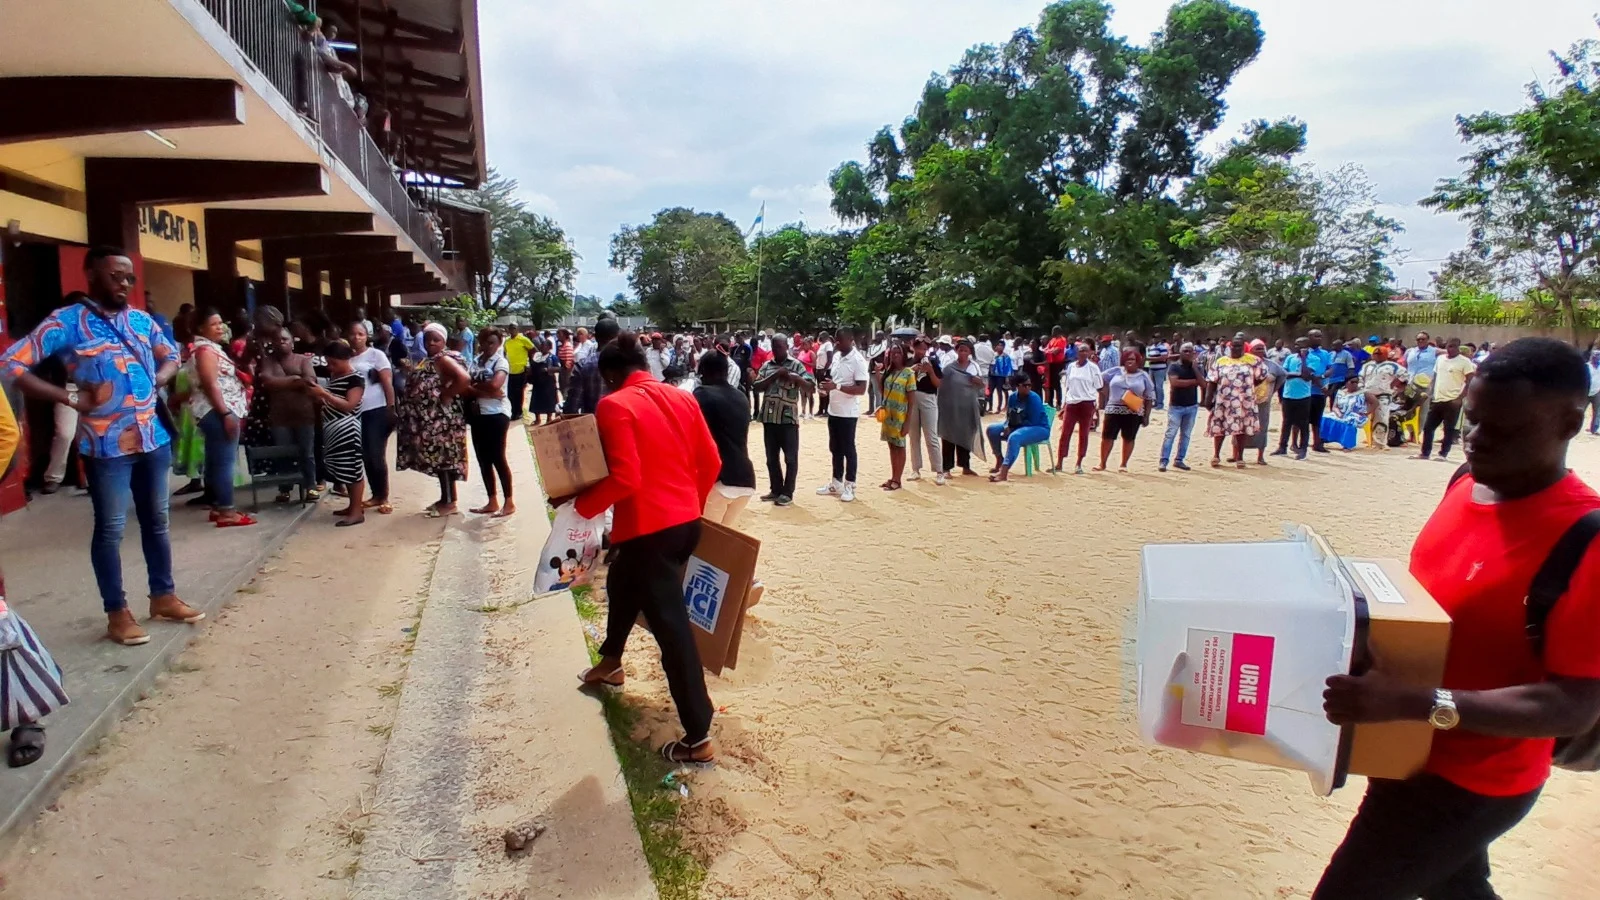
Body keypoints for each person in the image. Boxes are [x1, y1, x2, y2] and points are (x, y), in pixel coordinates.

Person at [1314, 337, 1600, 900]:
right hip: (1407, 754)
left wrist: (1413, 702)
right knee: (1457, 889)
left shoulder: (1586, 541)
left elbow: (1574, 705)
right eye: (1472, 419)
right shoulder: (1464, 484)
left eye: (1506, 429)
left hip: (1474, 782)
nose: (1475, 440)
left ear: (1571, 422)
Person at [0, 246, 203, 646]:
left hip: (153, 438)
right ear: (90, 274)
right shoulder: (68, 322)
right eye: (115, 276)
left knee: (157, 523)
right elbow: (11, 364)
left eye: (129, 277)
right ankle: (117, 613)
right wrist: (70, 398)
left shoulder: (141, 321)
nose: (125, 284)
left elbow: (173, 355)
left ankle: (163, 595)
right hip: (106, 447)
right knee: (111, 529)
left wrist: (161, 376)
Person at [572, 335, 722, 765]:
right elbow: (711, 463)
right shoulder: (682, 398)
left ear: (610, 376)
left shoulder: (614, 405)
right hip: (684, 523)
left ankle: (698, 736)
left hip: (649, 531)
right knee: (622, 582)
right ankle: (611, 661)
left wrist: (580, 508)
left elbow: (626, 479)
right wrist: (687, 506)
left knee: (672, 630)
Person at [186, 308, 254, 527]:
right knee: (225, 462)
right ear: (200, 328)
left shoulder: (209, 349)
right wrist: (225, 413)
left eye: (221, 323)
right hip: (217, 411)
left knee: (216, 461)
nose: (220, 327)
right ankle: (227, 511)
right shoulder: (205, 351)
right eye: (214, 324)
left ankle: (218, 506)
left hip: (215, 410)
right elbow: (211, 384)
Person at [395, 323, 472, 517]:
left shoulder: (444, 359)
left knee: (443, 459)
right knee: (438, 459)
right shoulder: (430, 359)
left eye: (436, 340)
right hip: (431, 420)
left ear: (444, 341)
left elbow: (464, 379)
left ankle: (448, 503)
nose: (431, 343)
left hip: (441, 421)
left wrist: (447, 394)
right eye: (428, 339)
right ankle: (446, 498)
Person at [692, 352, 756, 526]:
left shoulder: (702, 394)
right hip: (746, 479)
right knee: (724, 542)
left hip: (720, 480)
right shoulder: (741, 396)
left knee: (705, 544)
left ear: (704, 372)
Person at [257, 329, 321, 502]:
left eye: (285, 339)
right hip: (279, 415)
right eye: (278, 339)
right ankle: (285, 487)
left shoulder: (303, 360)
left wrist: (285, 382)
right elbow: (268, 382)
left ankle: (310, 486)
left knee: (306, 452)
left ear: (292, 342)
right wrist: (295, 379)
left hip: (304, 413)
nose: (282, 342)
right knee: (283, 451)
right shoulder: (268, 361)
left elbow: (310, 381)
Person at [751, 334, 812, 507]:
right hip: (769, 418)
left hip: (788, 419)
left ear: (787, 346)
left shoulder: (796, 365)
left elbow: (810, 387)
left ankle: (787, 492)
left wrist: (796, 378)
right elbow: (756, 386)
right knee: (771, 458)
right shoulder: (767, 365)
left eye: (780, 346)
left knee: (790, 458)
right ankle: (775, 489)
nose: (777, 350)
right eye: (774, 347)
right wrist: (776, 374)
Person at [310, 340, 367, 527]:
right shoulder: (335, 376)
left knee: (352, 470)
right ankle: (352, 506)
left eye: (334, 362)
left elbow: (349, 405)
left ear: (346, 359)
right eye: (328, 362)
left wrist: (324, 394)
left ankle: (357, 511)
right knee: (344, 470)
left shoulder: (355, 379)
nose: (330, 366)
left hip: (347, 429)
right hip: (333, 429)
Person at [816, 327, 871, 502]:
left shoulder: (858, 361)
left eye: (840, 341)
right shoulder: (838, 357)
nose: (837, 343)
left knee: (848, 449)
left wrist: (837, 387)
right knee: (835, 448)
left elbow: (862, 389)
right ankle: (836, 482)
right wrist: (826, 390)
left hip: (848, 413)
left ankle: (850, 485)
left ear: (850, 340)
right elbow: (834, 380)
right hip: (834, 410)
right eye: (836, 340)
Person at [347, 322, 395, 515]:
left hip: (376, 410)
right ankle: (375, 494)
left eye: (360, 334)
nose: (356, 337)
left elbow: (387, 382)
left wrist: (391, 407)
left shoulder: (376, 355)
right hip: (355, 412)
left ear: (367, 336)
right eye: (352, 334)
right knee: (365, 455)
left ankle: (384, 496)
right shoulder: (347, 357)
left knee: (376, 454)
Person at [467, 327, 514, 517]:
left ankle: (509, 502)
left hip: (496, 414)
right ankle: (492, 500)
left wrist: (474, 388)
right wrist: (483, 391)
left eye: (492, 342)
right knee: (483, 459)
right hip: (478, 413)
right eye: (485, 342)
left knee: (498, 458)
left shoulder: (501, 362)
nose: (487, 346)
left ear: (499, 343)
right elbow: (466, 384)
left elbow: (497, 385)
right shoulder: (476, 361)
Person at [1205, 334, 1266, 468]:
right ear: (1229, 346)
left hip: (1245, 401)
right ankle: (1216, 455)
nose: (1236, 348)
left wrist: (1248, 386)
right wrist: (1208, 399)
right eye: (1234, 345)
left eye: (1240, 346)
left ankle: (1240, 457)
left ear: (1244, 347)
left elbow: (1261, 376)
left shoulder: (1253, 360)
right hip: (1223, 401)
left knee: (1241, 429)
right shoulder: (1220, 361)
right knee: (1219, 427)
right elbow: (1211, 381)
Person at [1415, 337, 1477, 462]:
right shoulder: (1440, 359)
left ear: (1458, 347)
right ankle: (1425, 452)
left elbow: (1470, 380)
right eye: (1449, 346)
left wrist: (1460, 398)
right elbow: (1435, 377)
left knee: (1448, 428)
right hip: (1438, 398)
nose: (1450, 349)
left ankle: (1443, 454)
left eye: (1453, 346)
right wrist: (1430, 393)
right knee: (1428, 427)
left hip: (1453, 400)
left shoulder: (1464, 362)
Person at [1095, 348, 1154, 472]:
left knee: (1129, 438)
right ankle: (1102, 463)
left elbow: (1149, 396)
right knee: (1107, 437)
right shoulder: (1116, 371)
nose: (1129, 361)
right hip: (1113, 410)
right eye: (1127, 359)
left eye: (1132, 359)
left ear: (1138, 361)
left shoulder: (1143, 375)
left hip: (1133, 411)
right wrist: (1105, 393)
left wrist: (1146, 415)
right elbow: (1098, 379)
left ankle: (1123, 464)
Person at [934, 338, 985, 479]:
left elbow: (981, 385)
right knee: (948, 437)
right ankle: (946, 468)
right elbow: (942, 386)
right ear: (956, 351)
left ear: (970, 352)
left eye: (965, 350)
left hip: (968, 407)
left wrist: (977, 381)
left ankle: (965, 466)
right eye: (960, 350)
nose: (962, 353)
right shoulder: (949, 368)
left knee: (966, 436)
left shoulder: (974, 367)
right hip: (951, 407)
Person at [986, 373, 1049, 482]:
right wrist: (1007, 426)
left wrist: (1013, 429)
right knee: (992, 429)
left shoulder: (1034, 398)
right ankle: (999, 459)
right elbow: (1009, 416)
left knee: (1015, 437)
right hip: (1018, 425)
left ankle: (1004, 471)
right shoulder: (1012, 397)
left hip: (1038, 428)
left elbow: (1033, 421)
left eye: (1030, 385)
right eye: (1025, 385)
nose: (1028, 387)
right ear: (1017, 386)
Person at [1055, 342, 1103, 475]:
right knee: (1065, 433)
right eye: (1081, 351)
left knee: (1084, 434)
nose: (1083, 353)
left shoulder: (1093, 368)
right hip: (1072, 403)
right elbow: (1068, 386)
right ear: (1077, 352)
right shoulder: (1071, 367)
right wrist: (1064, 404)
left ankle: (1079, 463)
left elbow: (1099, 387)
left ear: (1089, 353)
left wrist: (1097, 407)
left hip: (1087, 404)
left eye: (1085, 351)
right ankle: (1060, 462)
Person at [877, 342, 917, 491]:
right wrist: (878, 375)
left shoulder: (909, 373)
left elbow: (912, 400)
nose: (895, 356)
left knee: (900, 447)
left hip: (900, 415)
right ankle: (893, 476)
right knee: (892, 446)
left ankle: (897, 479)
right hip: (888, 415)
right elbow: (883, 391)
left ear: (904, 355)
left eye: (898, 353)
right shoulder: (889, 371)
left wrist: (908, 421)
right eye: (892, 353)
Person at [906, 337, 946, 484]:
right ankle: (915, 468)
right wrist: (911, 371)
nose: (922, 352)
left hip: (928, 398)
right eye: (919, 348)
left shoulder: (932, 362)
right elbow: (902, 379)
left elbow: (938, 384)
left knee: (931, 436)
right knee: (914, 436)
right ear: (913, 347)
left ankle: (939, 470)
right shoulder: (909, 363)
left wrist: (930, 371)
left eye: (924, 349)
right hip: (911, 398)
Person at [1159, 343, 1203, 472]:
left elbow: (1204, 384)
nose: (1188, 354)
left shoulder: (1196, 368)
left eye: (1190, 351)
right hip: (1176, 406)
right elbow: (1175, 382)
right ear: (1180, 352)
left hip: (1191, 406)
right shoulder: (1174, 366)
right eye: (1185, 351)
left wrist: (1195, 368)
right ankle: (1163, 461)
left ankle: (1179, 460)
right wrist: (1193, 382)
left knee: (1186, 435)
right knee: (1171, 434)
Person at [1275, 339, 1318, 460]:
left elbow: (1307, 375)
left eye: (1299, 345)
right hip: (1288, 395)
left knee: (1303, 423)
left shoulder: (1314, 359)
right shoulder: (1290, 358)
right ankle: (1282, 447)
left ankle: (1303, 450)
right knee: (1286, 422)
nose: (1296, 346)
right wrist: (1298, 374)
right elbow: (1284, 374)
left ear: (1307, 346)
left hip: (1303, 396)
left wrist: (1304, 359)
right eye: (1295, 344)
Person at [1247, 338, 1285, 466]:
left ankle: (1260, 456)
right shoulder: (1245, 363)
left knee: (1262, 427)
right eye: (1257, 348)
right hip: (1245, 400)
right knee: (1241, 427)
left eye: (1262, 348)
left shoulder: (1271, 365)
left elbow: (1282, 375)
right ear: (1250, 350)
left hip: (1263, 401)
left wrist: (1273, 390)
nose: (1260, 351)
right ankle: (1236, 454)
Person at [1360, 346, 1404, 449]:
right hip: (1367, 395)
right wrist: (1361, 388)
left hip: (1383, 395)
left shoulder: (1393, 366)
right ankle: (1368, 438)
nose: (1377, 356)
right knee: (1365, 418)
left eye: (1380, 354)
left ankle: (1380, 443)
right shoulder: (1367, 366)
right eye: (1375, 354)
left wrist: (1392, 385)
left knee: (1381, 418)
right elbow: (1360, 377)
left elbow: (1404, 375)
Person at [503, 323, 535, 421]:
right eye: (511, 328)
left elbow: (533, 350)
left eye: (514, 328)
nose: (512, 330)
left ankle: (519, 412)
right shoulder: (507, 341)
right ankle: (512, 411)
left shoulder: (523, 339)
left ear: (518, 329)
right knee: (510, 393)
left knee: (518, 392)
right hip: (510, 370)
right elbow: (505, 353)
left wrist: (529, 364)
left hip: (521, 370)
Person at [527, 336, 559, 426]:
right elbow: (532, 366)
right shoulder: (537, 357)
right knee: (536, 401)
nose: (542, 347)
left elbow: (559, 368)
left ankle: (549, 418)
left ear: (549, 347)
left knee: (549, 401)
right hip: (538, 382)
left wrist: (549, 369)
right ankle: (537, 419)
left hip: (548, 383)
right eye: (542, 346)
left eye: (545, 346)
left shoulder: (553, 357)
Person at [1044, 327, 1069, 407]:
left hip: (1058, 364)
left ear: (1057, 331)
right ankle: (1050, 403)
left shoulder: (1062, 340)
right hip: (1050, 363)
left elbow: (1056, 352)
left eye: (1053, 331)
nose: (1052, 332)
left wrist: (1049, 351)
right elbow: (1045, 350)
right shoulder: (1052, 340)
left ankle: (1058, 403)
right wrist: (1049, 351)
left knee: (1057, 384)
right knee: (1050, 384)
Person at [988, 336, 1014, 414]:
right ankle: (990, 407)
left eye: (1001, 346)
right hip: (992, 376)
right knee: (990, 391)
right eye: (998, 345)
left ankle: (999, 407)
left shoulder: (1006, 356)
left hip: (1001, 376)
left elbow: (1008, 368)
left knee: (999, 391)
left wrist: (1007, 378)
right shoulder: (993, 355)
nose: (999, 347)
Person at [1145, 334, 1170, 411]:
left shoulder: (1162, 347)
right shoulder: (1151, 347)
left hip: (1160, 369)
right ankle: (1155, 402)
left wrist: (1151, 359)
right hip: (1152, 368)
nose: (1154, 340)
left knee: (1159, 387)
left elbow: (1163, 358)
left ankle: (1160, 403)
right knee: (1152, 387)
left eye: (1156, 338)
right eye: (1153, 338)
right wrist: (1150, 359)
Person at [1588, 350, 1600, 435]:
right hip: (1585, 393)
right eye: (1596, 355)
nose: (1597, 357)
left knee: (1596, 412)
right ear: (1592, 356)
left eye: (1599, 355)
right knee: (1580, 410)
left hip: (1597, 392)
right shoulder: (1586, 366)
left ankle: (1593, 429)